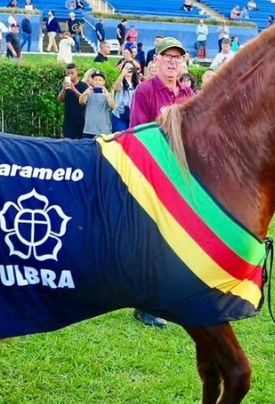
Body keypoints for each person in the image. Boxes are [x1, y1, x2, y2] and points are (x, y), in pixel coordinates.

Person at [128, 37, 194, 328]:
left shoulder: (188, 92)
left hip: (181, 177)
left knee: (177, 241)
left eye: (177, 58)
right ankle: (145, 306)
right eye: (167, 56)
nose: (172, 62)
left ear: (183, 63)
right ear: (155, 61)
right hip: (153, 175)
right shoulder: (145, 91)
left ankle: (169, 298)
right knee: (152, 242)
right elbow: (138, 133)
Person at [79, 69, 115, 138]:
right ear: (92, 81)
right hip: (89, 130)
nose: (97, 82)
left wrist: (108, 96)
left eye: (100, 80)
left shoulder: (107, 94)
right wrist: (85, 93)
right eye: (95, 80)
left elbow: (113, 107)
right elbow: (81, 102)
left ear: (104, 82)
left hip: (104, 131)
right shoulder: (88, 92)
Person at [58, 63, 87, 139]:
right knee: (68, 141)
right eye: (68, 73)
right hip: (69, 119)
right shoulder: (64, 85)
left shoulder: (83, 85)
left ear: (77, 72)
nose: (70, 75)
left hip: (81, 119)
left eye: (72, 73)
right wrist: (63, 89)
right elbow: (60, 99)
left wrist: (73, 89)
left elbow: (84, 99)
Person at [111, 62, 139, 132]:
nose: (129, 70)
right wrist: (122, 74)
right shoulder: (120, 82)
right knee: (120, 134)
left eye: (131, 68)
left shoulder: (137, 84)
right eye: (126, 68)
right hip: (119, 115)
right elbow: (115, 87)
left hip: (132, 115)